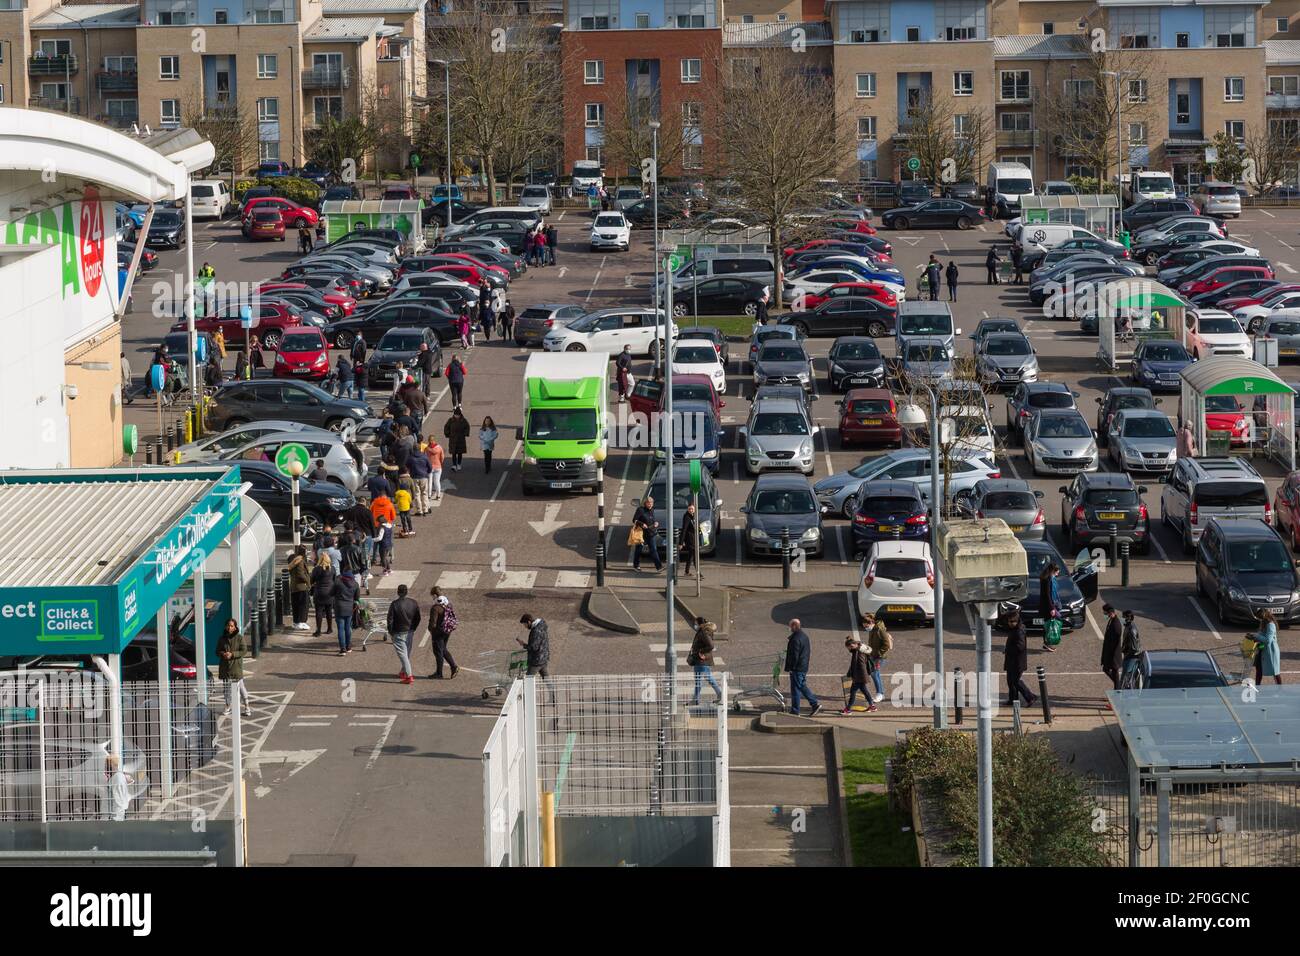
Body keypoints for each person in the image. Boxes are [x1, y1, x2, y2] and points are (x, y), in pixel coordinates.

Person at [784, 618, 822, 717]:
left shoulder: (795, 639)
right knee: (799, 687)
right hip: (803, 666)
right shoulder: (804, 636)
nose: (789, 628)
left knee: (798, 687)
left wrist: (791, 668)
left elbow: (794, 655)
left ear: (794, 626)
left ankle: (813, 704)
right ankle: (796, 709)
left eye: (790, 626)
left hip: (797, 668)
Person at [386, 584, 421, 684]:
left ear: (398, 592)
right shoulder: (413, 603)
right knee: (406, 653)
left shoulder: (394, 604)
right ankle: (403, 671)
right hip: (410, 631)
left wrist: (391, 632)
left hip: (398, 632)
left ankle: (409, 676)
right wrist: (413, 628)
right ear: (407, 592)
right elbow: (418, 618)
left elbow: (390, 620)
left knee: (403, 655)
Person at [217, 618, 251, 718]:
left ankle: (247, 706)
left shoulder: (239, 638)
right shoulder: (222, 638)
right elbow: (217, 651)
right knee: (226, 689)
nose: (230, 628)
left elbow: (244, 650)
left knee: (241, 687)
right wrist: (223, 654)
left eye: (232, 626)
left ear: (235, 627)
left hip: (236, 667)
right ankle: (228, 707)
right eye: (228, 625)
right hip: (225, 667)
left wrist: (232, 654)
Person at [1003, 610, 1038, 707]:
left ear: (1016, 621)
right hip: (1012, 660)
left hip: (1017, 661)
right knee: (1010, 681)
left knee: (1016, 681)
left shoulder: (1019, 631)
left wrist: (1008, 650)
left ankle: (1030, 697)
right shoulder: (1015, 629)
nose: (1010, 623)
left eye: (1011, 622)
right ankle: (1013, 700)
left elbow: (1020, 646)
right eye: (1009, 621)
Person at [688, 616, 723, 706]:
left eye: (696, 624)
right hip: (702, 660)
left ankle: (696, 699)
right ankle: (720, 694)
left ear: (700, 624)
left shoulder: (703, 632)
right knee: (708, 678)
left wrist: (700, 652)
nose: (694, 625)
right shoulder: (703, 631)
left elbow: (710, 645)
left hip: (701, 660)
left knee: (698, 680)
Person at [427, 587, 460, 679]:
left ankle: (439, 673)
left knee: (438, 652)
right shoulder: (448, 603)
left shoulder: (435, 608)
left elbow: (433, 623)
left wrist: (431, 630)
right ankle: (453, 667)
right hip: (447, 630)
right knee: (443, 649)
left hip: (438, 632)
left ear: (434, 595)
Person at [841, 637, 878, 714]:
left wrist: (856, 677)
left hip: (860, 677)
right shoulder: (857, 650)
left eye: (849, 647)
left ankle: (848, 709)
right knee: (864, 691)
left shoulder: (859, 653)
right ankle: (872, 706)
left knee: (853, 692)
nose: (849, 650)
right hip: (860, 676)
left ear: (853, 645)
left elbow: (861, 666)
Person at [331, 569, 359, 655]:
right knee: (348, 628)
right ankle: (348, 646)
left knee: (340, 628)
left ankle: (342, 648)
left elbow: (331, 593)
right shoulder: (355, 584)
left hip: (339, 608)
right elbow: (357, 598)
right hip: (349, 608)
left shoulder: (338, 582)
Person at [631, 495, 662, 572]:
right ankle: (636, 565)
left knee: (653, 550)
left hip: (651, 534)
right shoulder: (640, 510)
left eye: (651, 503)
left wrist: (656, 523)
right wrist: (642, 524)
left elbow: (652, 520)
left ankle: (659, 567)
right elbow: (634, 520)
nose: (650, 504)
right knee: (639, 550)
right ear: (645, 503)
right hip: (641, 534)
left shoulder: (652, 510)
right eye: (649, 503)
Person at [864, 613, 891, 703]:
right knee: (876, 673)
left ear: (871, 622)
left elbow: (886, 644)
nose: (866, 628)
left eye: (866, 626)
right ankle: (881, 693)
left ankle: (880, 693)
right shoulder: (873, 629)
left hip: (880, 657)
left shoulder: (880, 630)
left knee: (874, 673)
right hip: (874, 655)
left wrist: (878, 653)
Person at [1252, 608, 1283, 685]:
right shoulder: (1264, 623)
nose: (1260, 620)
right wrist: (1253, 636)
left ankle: (1280, 688)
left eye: (1260, 618)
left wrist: (1256, 636)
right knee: (1259, 670)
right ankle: (1257, 687)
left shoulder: (1271, 625)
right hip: (1262, 650)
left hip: (1270, 651)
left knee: (1275, 672)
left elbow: (1268, 640)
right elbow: (1261, 634)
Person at [517, 613, 551, 677]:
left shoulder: (536, 631)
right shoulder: (541, 626)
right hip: (543, 658)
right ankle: (552, 687)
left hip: (536, 660)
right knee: (546, 679)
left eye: (525, 624)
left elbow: (534, 647)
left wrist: (523, 644)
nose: (525, 626)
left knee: (528, 679)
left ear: (529, 622)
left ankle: (551, 687)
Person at [310, 553, 336, 636]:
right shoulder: (333, 569)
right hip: (330, 593)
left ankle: (318, 631)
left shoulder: (316, 569)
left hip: (319, 592)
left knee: (319, 612)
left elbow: (312, 581)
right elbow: (334, 580)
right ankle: (329, 628)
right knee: (329, 611)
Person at [371, 491, 396, 574]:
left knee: (376, 543)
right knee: (389, 541)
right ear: (386, 496)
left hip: (376, 525)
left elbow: (370, 512)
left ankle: (374, 559)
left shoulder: (374, 503)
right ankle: (391, 557)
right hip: (387, 525)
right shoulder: (389, 504)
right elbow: (393, 516)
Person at [1039, 561, 1061, 652]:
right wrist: (1052, 608)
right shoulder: (1048, 579)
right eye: (1057, 571)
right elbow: (1047, 594)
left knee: (1047, 625)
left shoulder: (1047, 578)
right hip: (1048, 606)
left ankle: (1047, 643)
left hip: (1047, 605)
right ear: (1053, 570)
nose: (1058, 573)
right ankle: (1047, 643)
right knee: (1049, 625)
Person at [288, 545, 311, 631]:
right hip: (302, 587)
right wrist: (308, 581)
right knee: (303, 605)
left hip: (294, 587)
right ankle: (302, 622)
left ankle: (296, 622)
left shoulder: (294, 560)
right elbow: (300, 574)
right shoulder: (300, 561)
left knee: (296, 605)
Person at [1100, 604, 1123, 692]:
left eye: (1105, 612)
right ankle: (1118, 686)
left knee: (1114, 672)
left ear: (1110, 612)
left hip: (1113, 654)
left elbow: (1116, 642)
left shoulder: (1116, 624)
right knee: (1109, 670)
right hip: (1110, 653)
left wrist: (1112, 655)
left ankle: (1118, 688)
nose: (1104, 614)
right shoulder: (1112, 620)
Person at [106, 753, 133, 822]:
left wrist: (117, 818)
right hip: (116, 814)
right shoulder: (116, 776)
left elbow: (119, 799)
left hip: (117, 816)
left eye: (107, 764)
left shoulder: (117, 778)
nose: (105, 767)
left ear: (111, 765)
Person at [1119, 610, 1143, 685]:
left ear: (1128, 618)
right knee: (1126, 677)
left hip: (1131, 657)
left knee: (1126, 677)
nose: (1122, 619)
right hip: (1129, 655)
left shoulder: (1131, 630)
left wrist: (1125, 652)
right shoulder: (1128, 626)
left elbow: (1134, 648)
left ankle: (1121, 693)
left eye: (1123, 617)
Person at [408, 441, 431, 515]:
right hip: (424, 476)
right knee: (424, 493)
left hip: (414, 477)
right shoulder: (424, 456)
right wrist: (427, 472)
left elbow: (407, 466)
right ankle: (425, 509)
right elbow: (430, 467)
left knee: (417, 494)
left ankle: (419, 510)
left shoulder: (411, 458)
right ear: (420, 448)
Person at [678, 503, 698, 577]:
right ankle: (698, 573)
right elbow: (684, 530)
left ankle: (686, 572)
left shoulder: (694, 516)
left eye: (692, 509)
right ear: (687, 509)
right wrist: (681, 542)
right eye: (689, 509)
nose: (691, 510)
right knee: (695, 556)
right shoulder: (687, 517)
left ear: (694, 509)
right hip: (690, 539)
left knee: (690, 556)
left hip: (694, 538)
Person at [426, 435, 445, 500]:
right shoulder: (439, 447)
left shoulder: (427, 449)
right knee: (437, 482)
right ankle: (438, 495)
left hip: (430, 467)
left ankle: (429, 495)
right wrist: (440, 463)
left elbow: (425, 458)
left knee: (429, 482)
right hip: (438, 466)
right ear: (434, 440)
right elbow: (442, 457)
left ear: (429, 441)